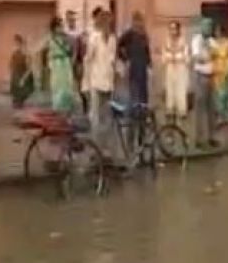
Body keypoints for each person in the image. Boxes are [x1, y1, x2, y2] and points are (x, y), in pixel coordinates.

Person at [84, 10, 117, 155]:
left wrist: (117, 72)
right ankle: (95, 149)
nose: (109, 25)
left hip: (108, 82)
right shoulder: (94, 38)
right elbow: (88, 60)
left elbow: (112, 60)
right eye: (107, 22)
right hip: (96, 81)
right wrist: (85, 81)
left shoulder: (113, 39)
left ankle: (106, 148)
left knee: (107, 117)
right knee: (95, 116)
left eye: (111, 23)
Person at [191, 18, 217, 148]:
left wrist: (209, 55)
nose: (209, 29)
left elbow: (217, 54)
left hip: (211, 75)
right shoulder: (197, 40)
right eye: (207, 26)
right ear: (202, 27)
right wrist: (207, 55)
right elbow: (197, 57)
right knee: (200, 108)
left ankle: (211, 137)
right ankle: (199, 139)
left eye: (210, 26)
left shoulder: (212, 41)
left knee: (211, 108)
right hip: (200, 76)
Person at [117, 11, 152, 106]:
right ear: (133, 21)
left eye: (140, 21)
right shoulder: (129, 33)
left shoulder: (144, 34)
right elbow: (118, 46)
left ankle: (143, 107)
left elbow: (147, 50)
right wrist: (125, 59)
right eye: (137, 21)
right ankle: (134, 108)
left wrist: (149, 63)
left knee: (143, 88)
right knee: (133, 88)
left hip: (143, 65)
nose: (139, 23)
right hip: (133, 64)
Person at [42, 17, 76, 112]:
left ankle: (67, 107)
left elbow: (71, 50)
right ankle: (57, 108)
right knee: (57, 85)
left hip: (65, 63)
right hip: (55, 64)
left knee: (67, 85)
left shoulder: (66, 37)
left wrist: (71, 59)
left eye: (61, 26)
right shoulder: (49, 38)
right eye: (59, 26)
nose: (61, 28)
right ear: (54, 27)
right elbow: (44, 52)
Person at [162, 20, 190, 122]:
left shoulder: (183, 41)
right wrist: (171, 56)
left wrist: (175, 56)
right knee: (170, 88)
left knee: (181, 89)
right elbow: (164, 56)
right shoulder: (167, 41)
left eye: (174, 29)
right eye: (171, 29)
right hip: (170, 67)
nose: (173, 31)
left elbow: (186, 56)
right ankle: (170, 110)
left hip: (180, 68)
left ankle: (181, 111)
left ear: (178, 30)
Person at [211, 24, 228, 125]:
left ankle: (227, 116)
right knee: (217, 95)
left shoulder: (227, 43)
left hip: (225, 71)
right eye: (216, 32)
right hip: (216, 73)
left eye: (218, 31)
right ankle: (220, 116)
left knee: (225, 95)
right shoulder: (213, 44)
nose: (217, 34)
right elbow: (210, 56)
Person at [9, 34, 34, 109]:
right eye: (15, 43)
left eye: (17, 43)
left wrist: (24, 78)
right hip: (15, 75)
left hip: (23, 75)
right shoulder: (14, 53)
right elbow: (11, 64)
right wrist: (11, 71)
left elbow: (29, 68)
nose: (16, 45)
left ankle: (20, 102)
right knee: (16, 90)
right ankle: (17, 102)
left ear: (21, 43)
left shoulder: (25, 53)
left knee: (22, 89)